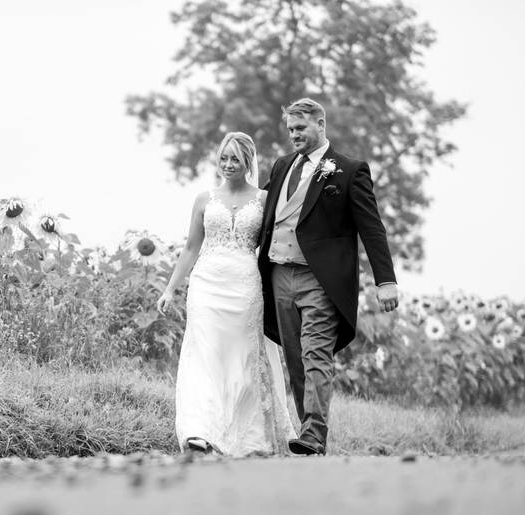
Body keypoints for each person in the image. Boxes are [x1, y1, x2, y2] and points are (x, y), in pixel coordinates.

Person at [258, 98, 399, 456]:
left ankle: (314, 434)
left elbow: (372, 228)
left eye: (300, 128)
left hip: (320, 281)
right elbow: (261, 211)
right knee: (294, 358)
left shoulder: (349, 171)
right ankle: (310, 430)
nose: (294, 135)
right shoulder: (281, 166)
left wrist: (386, 280)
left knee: (315, 354)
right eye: (290, 129)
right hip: (279, 274)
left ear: (321, 124)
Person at [157, 132, 295, 457]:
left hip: (245, 286)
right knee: (203, 356)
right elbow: (191, 247)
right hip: (206, 285)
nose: (228, 164)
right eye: (224, 158)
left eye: (235, 158)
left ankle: (245, 437)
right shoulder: (204, 199)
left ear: (248, 162)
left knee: (241, 358)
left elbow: (276, 246)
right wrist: (169, 289)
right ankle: (198, 431)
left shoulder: (263, 200)